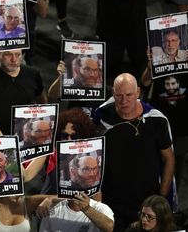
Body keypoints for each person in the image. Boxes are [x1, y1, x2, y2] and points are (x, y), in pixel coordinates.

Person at [93, 73, 175, 232]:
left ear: (138, 92)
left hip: (145, 204)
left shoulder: (156, 120)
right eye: (119, 95)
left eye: (129, 95)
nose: (124, 101)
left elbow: (169, 159)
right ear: (113, 94)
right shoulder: (101, 117)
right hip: (111, 202)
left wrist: (160, 198)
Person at [0, 17, 46, 134]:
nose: (14, 60)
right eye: (8, 55)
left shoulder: (32, 74)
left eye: (18, 55)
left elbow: (42, 100)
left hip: (21, 137)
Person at [37, 191, 114, 232]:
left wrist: (87, 209)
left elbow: (109, 227)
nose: (77, 192)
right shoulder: (54, 208)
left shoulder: (100, 208)